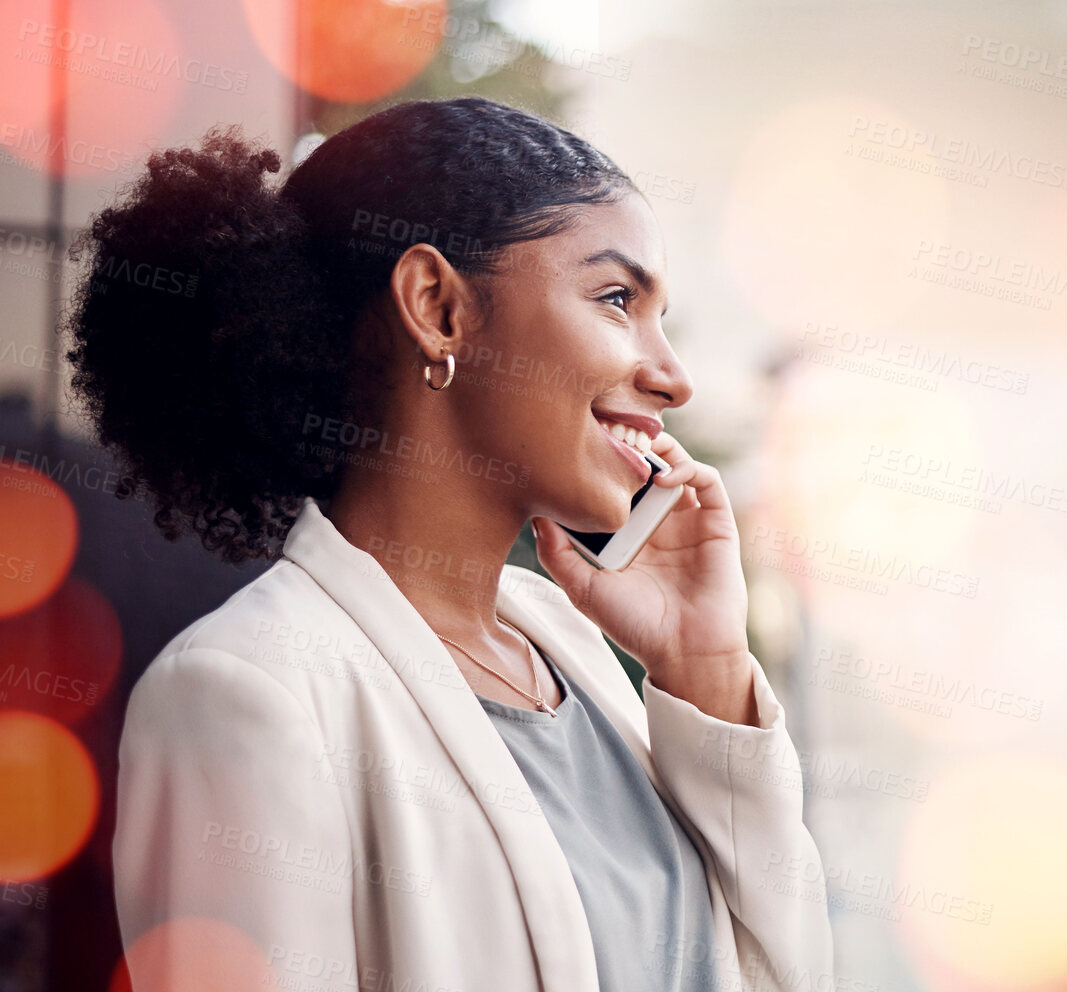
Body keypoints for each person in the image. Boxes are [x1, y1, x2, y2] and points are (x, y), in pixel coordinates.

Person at [68, 96, 834, 992]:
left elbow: (786, 970)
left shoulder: (573, 652)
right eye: (617, 298)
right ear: (437, 308)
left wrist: (705, 663)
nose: (672, 376)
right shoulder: (250, 689)